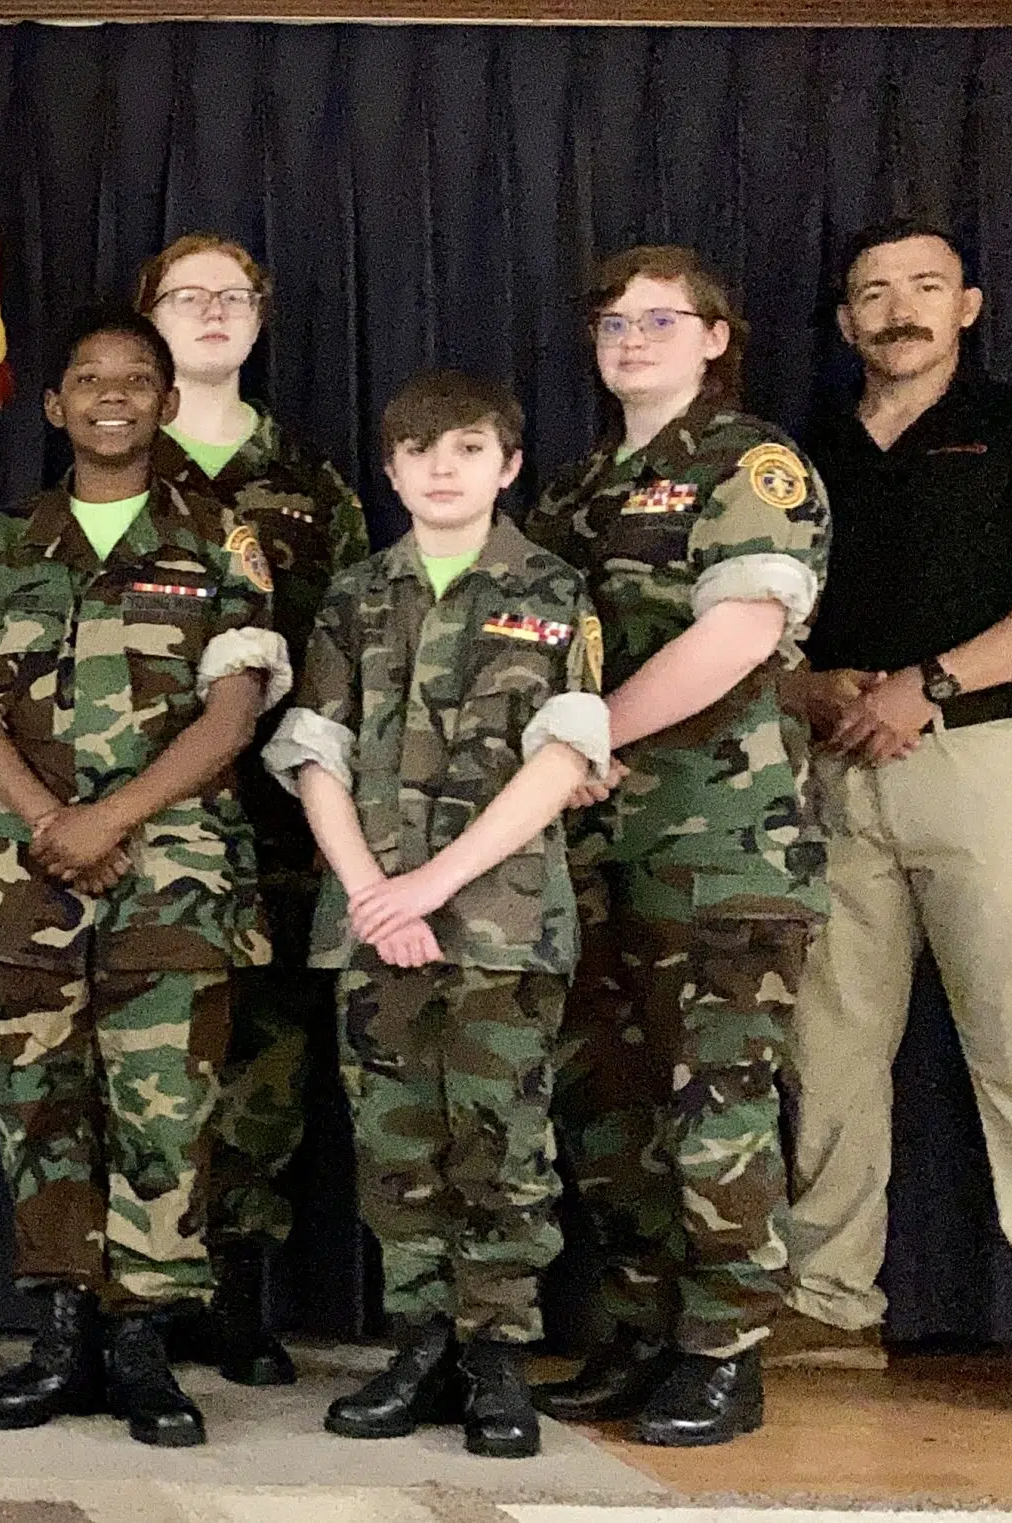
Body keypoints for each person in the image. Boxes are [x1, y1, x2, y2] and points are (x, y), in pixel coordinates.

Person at [0, 303, 291, 1449]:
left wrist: (112, 815)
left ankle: (143, 1345)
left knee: (163, 1117)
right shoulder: (0, 540)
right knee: (39, 1113)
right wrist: (47, 819)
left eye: (136, 378)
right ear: (55, 404)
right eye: (89, 379)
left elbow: (234, 709)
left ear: (167, 402)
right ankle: (61, 1333)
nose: (113, 395)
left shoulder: (221, 538)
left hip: (170, 876)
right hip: (23, 877)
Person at [265, 372, 609, 1460]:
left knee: (500, 1143)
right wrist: (374, 890)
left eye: (466, 447)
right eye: (417, 450)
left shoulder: (552, 587)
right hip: (371, 920)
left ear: (508, 464)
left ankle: (495, 1348)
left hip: (498, 920)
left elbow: (561, 759)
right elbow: (310, 750)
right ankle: (419, 1339)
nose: (441, 467)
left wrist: (428, 884)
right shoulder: (356, 593)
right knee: (394, 1143)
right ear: (389, 468)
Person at [523, 247, 831, 1449]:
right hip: (590, 840)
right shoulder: (574, 486)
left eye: (662, 319)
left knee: (716, 1098)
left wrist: (594, 728)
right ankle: (637, 1329)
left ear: (716, 336)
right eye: (612, 320)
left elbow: (743, 629)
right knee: (604, 1103)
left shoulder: (747, 463)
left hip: (721, 840)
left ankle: (722, 1349)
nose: (633, 337)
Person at [770, 220, 1012, 1377]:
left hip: (981, 759)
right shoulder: (799, 453)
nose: (899, 309)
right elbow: (753, 619)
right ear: (844, 321)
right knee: (826, 1051)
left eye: (924, 287)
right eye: (874, 292)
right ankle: (828, 1304)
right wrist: (803, 687)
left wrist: (928, 685)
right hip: (827, 770)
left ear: (969, 306)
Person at [135, 234, 370, 1384]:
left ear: (262, 316)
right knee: (143, 1056)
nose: (212, 313)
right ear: (151, 318)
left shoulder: (310, 479)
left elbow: (351, 639)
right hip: (140, 811)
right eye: (187, 296)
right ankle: (137, 1289)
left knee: (266, 1059)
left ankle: (237, 1290)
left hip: (274, 813)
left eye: (233, 295)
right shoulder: (111, 455)